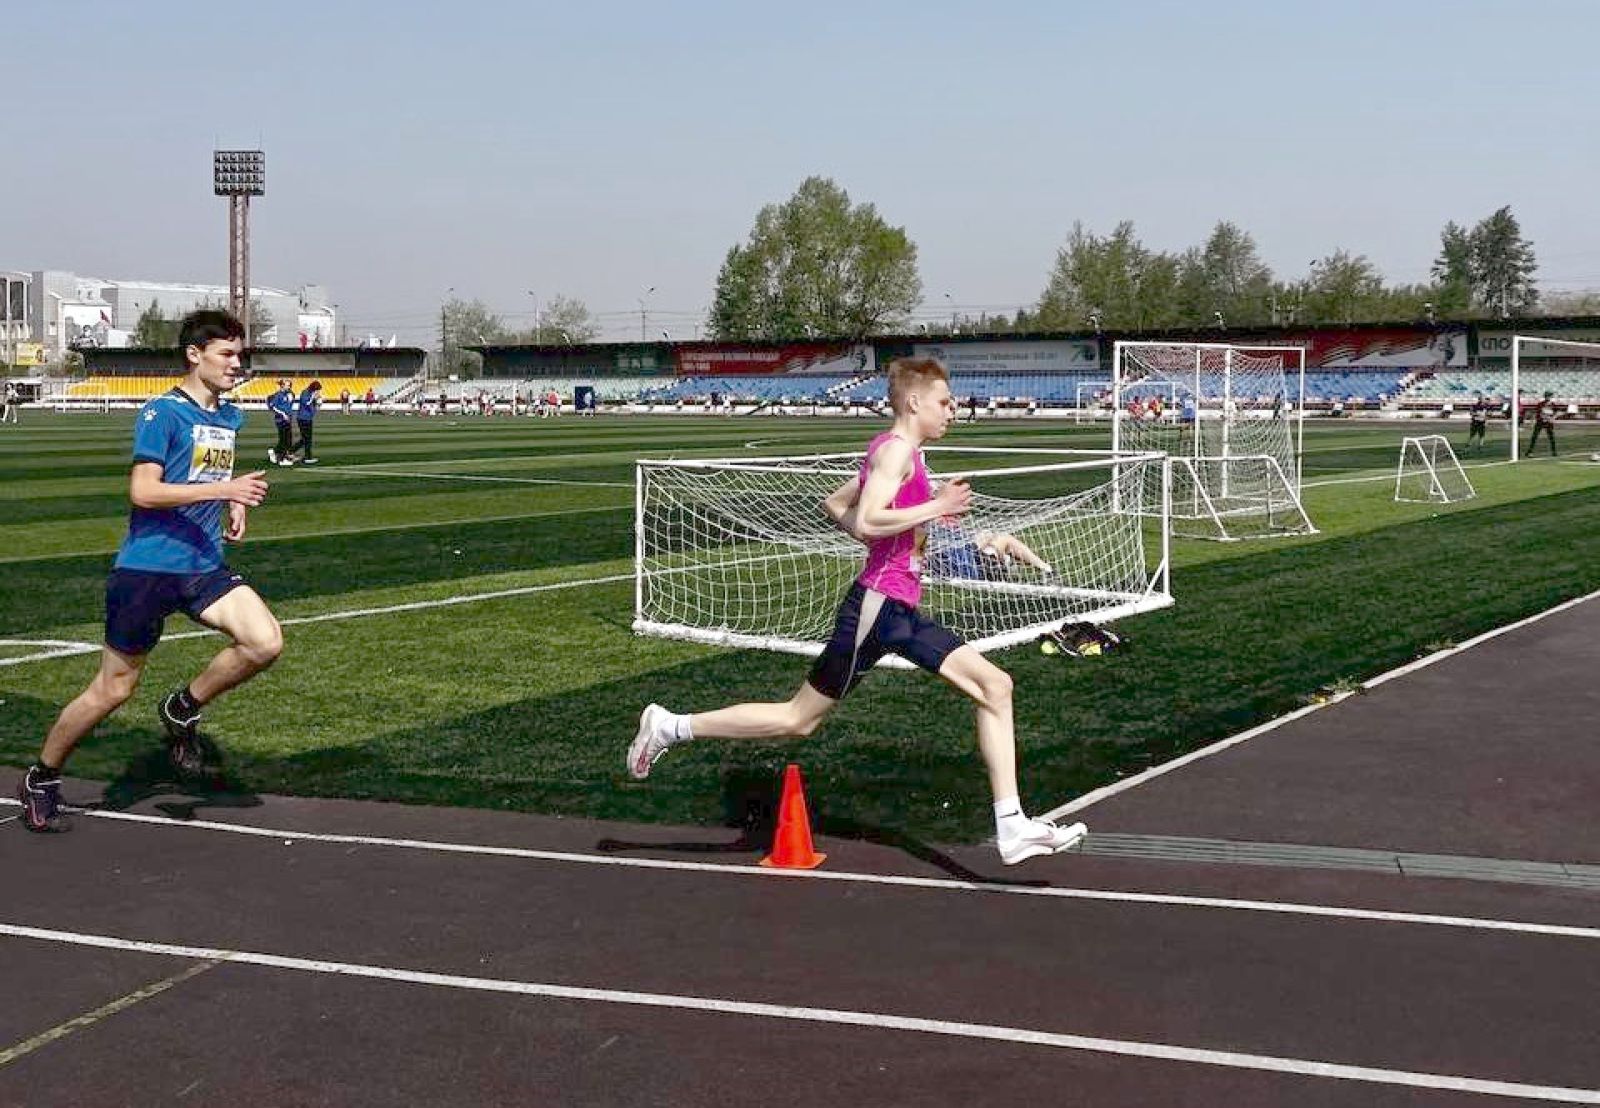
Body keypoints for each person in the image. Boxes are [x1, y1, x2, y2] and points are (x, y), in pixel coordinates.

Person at [627, 356, 1089, 866]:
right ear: (914, 402)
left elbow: (836, 505)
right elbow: (868, 519)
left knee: (995, 687)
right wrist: (935, 508)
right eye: (943, 402)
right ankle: (670, 726)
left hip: (895, 610)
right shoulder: (895, 452)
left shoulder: (898, 453)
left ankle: (1012, 826)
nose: (952, 410)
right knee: (798, 719)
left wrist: (905, 538)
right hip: (877, 607)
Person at [17, 309, 282, 833]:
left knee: (264, 642)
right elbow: (144, 491)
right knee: (112, 690)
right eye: (227, 354)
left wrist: (234, 503)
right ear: (194, 355)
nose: (237, 364)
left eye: (240, 355)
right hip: (147, 570)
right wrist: (224, 489)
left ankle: (183, 706)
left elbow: (207, 473)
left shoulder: (229, 417)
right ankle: (42, 776)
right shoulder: (162, 413)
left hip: (202, 565)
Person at [266, 377, 296, 465]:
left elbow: (289, 405)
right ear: (282, 386)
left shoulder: (290, 394)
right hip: (280, 420)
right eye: (287, 385)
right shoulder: (278, 395)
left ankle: (274, 452)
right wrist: (283, 414)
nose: (289, 387)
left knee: (288, 440)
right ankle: (282, 459)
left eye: (290, 385)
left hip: (288, 420)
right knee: (284, 440)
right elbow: (273, 406)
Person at [293, 379, 323, 464]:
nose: (318, 392)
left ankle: (291, 451)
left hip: (308, 418)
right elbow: (306, 403)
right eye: (317, 390)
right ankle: (307, 457)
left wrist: (318, 403)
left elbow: (314, 407)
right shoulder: (305, 393)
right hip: (303, 418)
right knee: (307, 439)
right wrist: (313, 397)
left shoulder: (311, 394)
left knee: (305, 439)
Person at [1527, 390, 1559, 457]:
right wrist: (1534, 421)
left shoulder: (1553, 405)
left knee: (1551, 437)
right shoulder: (1540, 404)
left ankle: (1554, 452)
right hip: (1540, 422)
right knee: (1534, 437)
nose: (1548, 397)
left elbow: (1556, 413)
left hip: (1548, 423)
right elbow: (1538, 413)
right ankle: (1530, 451)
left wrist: (1552, 418)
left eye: (1549, 396)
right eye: (1547, 396)